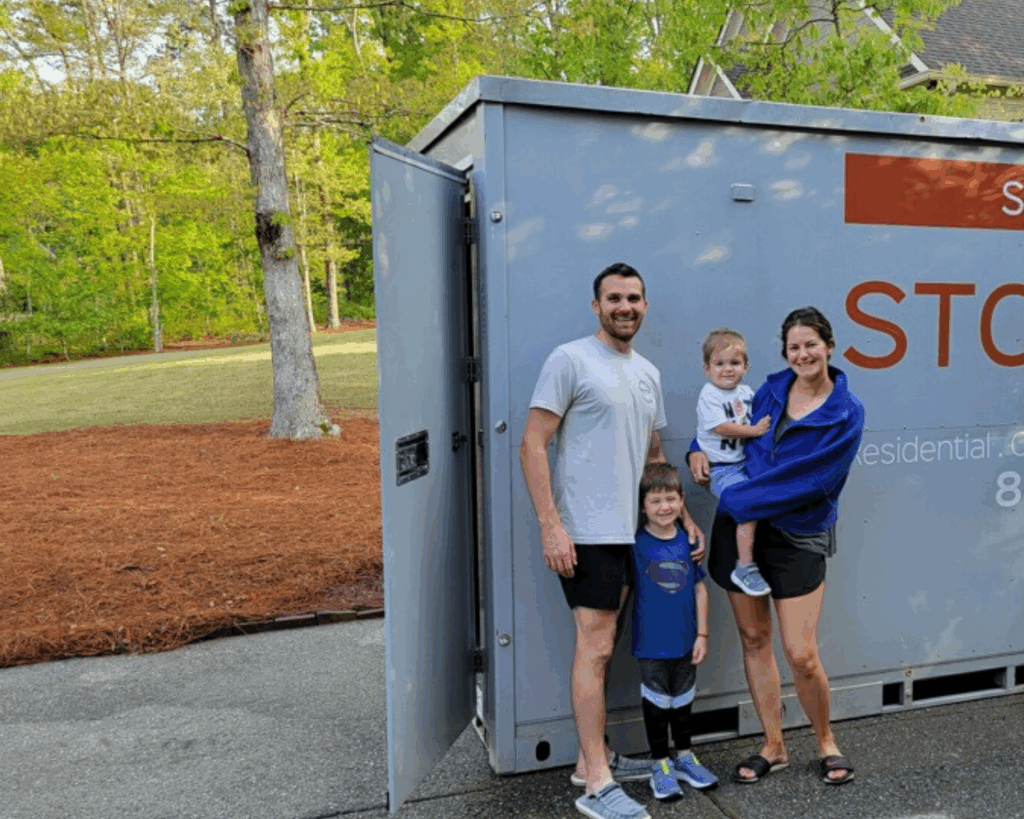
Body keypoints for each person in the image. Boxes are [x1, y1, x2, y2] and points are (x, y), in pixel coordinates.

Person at [521, 262, 705, 819]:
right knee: (596, 648)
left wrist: (684, 514)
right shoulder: (570, 359)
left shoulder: (646, 372)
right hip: (587, 532)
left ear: (645, 306)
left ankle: (588, 757)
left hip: (635, 535)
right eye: (614, 298)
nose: (625, 307)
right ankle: (597, 784)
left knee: (608, 646)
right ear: (596, 305)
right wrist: (551, 524)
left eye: (634, 298)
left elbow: (653, 456)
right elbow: (533, 444)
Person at [688, 307, 865, 787]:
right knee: (753, 639)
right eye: (793, 347)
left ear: (829, 345)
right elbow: (725, 430)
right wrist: (695, 450)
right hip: (743, 529)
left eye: (811, 344)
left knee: (801, 653)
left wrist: (738, 496)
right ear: (785, 353)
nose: (802, 354)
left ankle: (826, 740)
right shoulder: (768, 389)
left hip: (794, 533)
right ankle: (774, 744)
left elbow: (812, 481)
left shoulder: (846, 412)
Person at [629, 462, 719, 802]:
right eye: (655, 501)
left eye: (671, 499)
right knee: (656, 703)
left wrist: (703, 634)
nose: (664, 507)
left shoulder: (688, 543)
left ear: (682, 501)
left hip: (686, 641)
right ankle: (660, 764)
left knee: (683, 701)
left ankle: (684, 757)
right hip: (651, 644)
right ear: (643, 507)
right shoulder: (635, 545)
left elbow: (700, 590)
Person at [695, 329, 771, 597]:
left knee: (762, 504)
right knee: (747, 506)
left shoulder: (747, 392)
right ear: (707, 369)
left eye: (734, 363)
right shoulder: (710, 394)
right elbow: (722, 428)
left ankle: (757, 559)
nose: (727, 370)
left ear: (746, 366)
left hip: (743, 465)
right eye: (719, 363)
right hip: (721, 469)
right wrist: (755, 431)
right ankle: (744, 566)